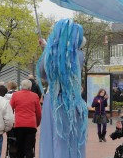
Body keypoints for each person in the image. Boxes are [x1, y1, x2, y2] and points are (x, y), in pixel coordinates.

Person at [37, 19, 88, 158]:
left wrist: (47, 49)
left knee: (55, 136)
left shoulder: (71, 55)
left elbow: (44, 71)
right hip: (68, 100)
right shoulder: (78, 54)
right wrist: (47, 49)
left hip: (55, 99)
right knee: (66, 137)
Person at [10, 79, 41, 158]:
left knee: (19, 148)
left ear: (21, 86)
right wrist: (37, 123)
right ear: (30, 87)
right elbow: (38, 113)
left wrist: (11, 122)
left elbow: (10, 109)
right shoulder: (35, 96)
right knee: (29, 148)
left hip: (19, 124)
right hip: (31, 125)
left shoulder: (15, 95)